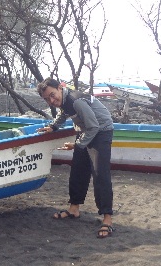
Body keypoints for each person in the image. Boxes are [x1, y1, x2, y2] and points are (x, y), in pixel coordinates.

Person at [36, 77, 115, 239]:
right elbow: (64, 112)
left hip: (101, 131)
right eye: (47, 99)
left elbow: (94, 126)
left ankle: (107, 218)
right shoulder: (64, 100)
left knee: (100, 174)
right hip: (85, 131)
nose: (51, 100)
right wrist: (53, 126)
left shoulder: (75, 100)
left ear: (60, 88)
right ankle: (74, 209)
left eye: (52, 95)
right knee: (78, 170)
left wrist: (77, 144)